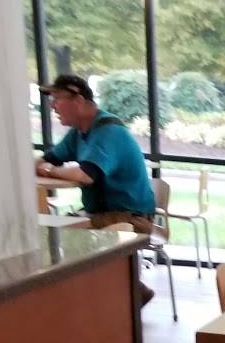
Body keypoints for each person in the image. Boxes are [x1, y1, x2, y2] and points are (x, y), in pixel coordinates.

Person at [36, 73, 158, 303]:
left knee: (61, 237)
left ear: (78, 100)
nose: (52, 105)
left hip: (131, 217)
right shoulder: (79, 132)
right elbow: (48, 159)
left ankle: (128, 294)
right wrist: (41, 165)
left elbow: (85, 175)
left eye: (57, 98)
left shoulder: (108, 131)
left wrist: (50, 170)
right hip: (102, 213)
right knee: (55, 234)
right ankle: (123, 293)